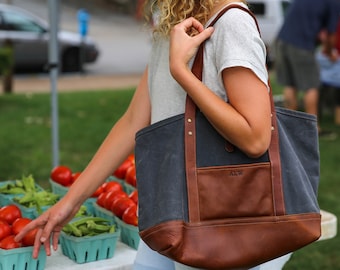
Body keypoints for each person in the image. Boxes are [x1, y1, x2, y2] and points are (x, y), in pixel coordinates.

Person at [15, 0, 291, 269]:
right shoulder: (174, 23)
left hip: (217, 221)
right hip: (168, 209)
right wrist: (70, 202)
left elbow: (256, 139)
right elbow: (133, 121)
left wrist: (182, 73)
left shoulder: (232, 23)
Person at [275, 0, 340, 136]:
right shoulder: (334, 3)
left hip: (281, 41)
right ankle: (313, 129)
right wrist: (329, 52)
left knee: (290, 84)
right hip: (302, 45)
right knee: (311, 86)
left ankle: (289, 127)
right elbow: (330, 35)